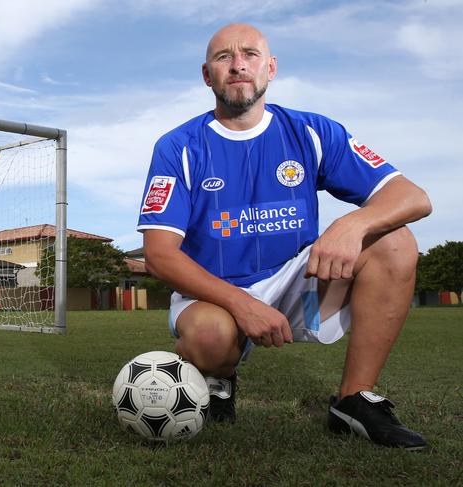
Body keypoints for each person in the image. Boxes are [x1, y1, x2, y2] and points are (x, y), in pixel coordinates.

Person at [136, 23, 431, 450]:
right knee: (209, 338)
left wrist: (350, 225)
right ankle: (218, 378)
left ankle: (354, 400)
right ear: (207, 75)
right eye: (224, 57)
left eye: (250, 55)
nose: (238, 65)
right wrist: (244, 305)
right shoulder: (178, 146)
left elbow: (413, 197)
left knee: (394, 240)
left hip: (301, 291)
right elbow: (159, 256)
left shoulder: (310, 132)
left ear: (270, 68)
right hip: (216, 296)